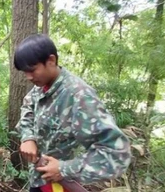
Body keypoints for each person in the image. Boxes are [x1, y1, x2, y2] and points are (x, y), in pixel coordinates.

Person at [14, 34, 131, 192]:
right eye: (24, 72)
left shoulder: (79, 96)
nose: (28, 77)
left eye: (32, 70)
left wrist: (65, 168)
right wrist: (28, 137)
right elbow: (28, 106)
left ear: (51, 60)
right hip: (38, 179)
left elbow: (116, 153)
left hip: (62, 185)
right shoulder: (41, 85)